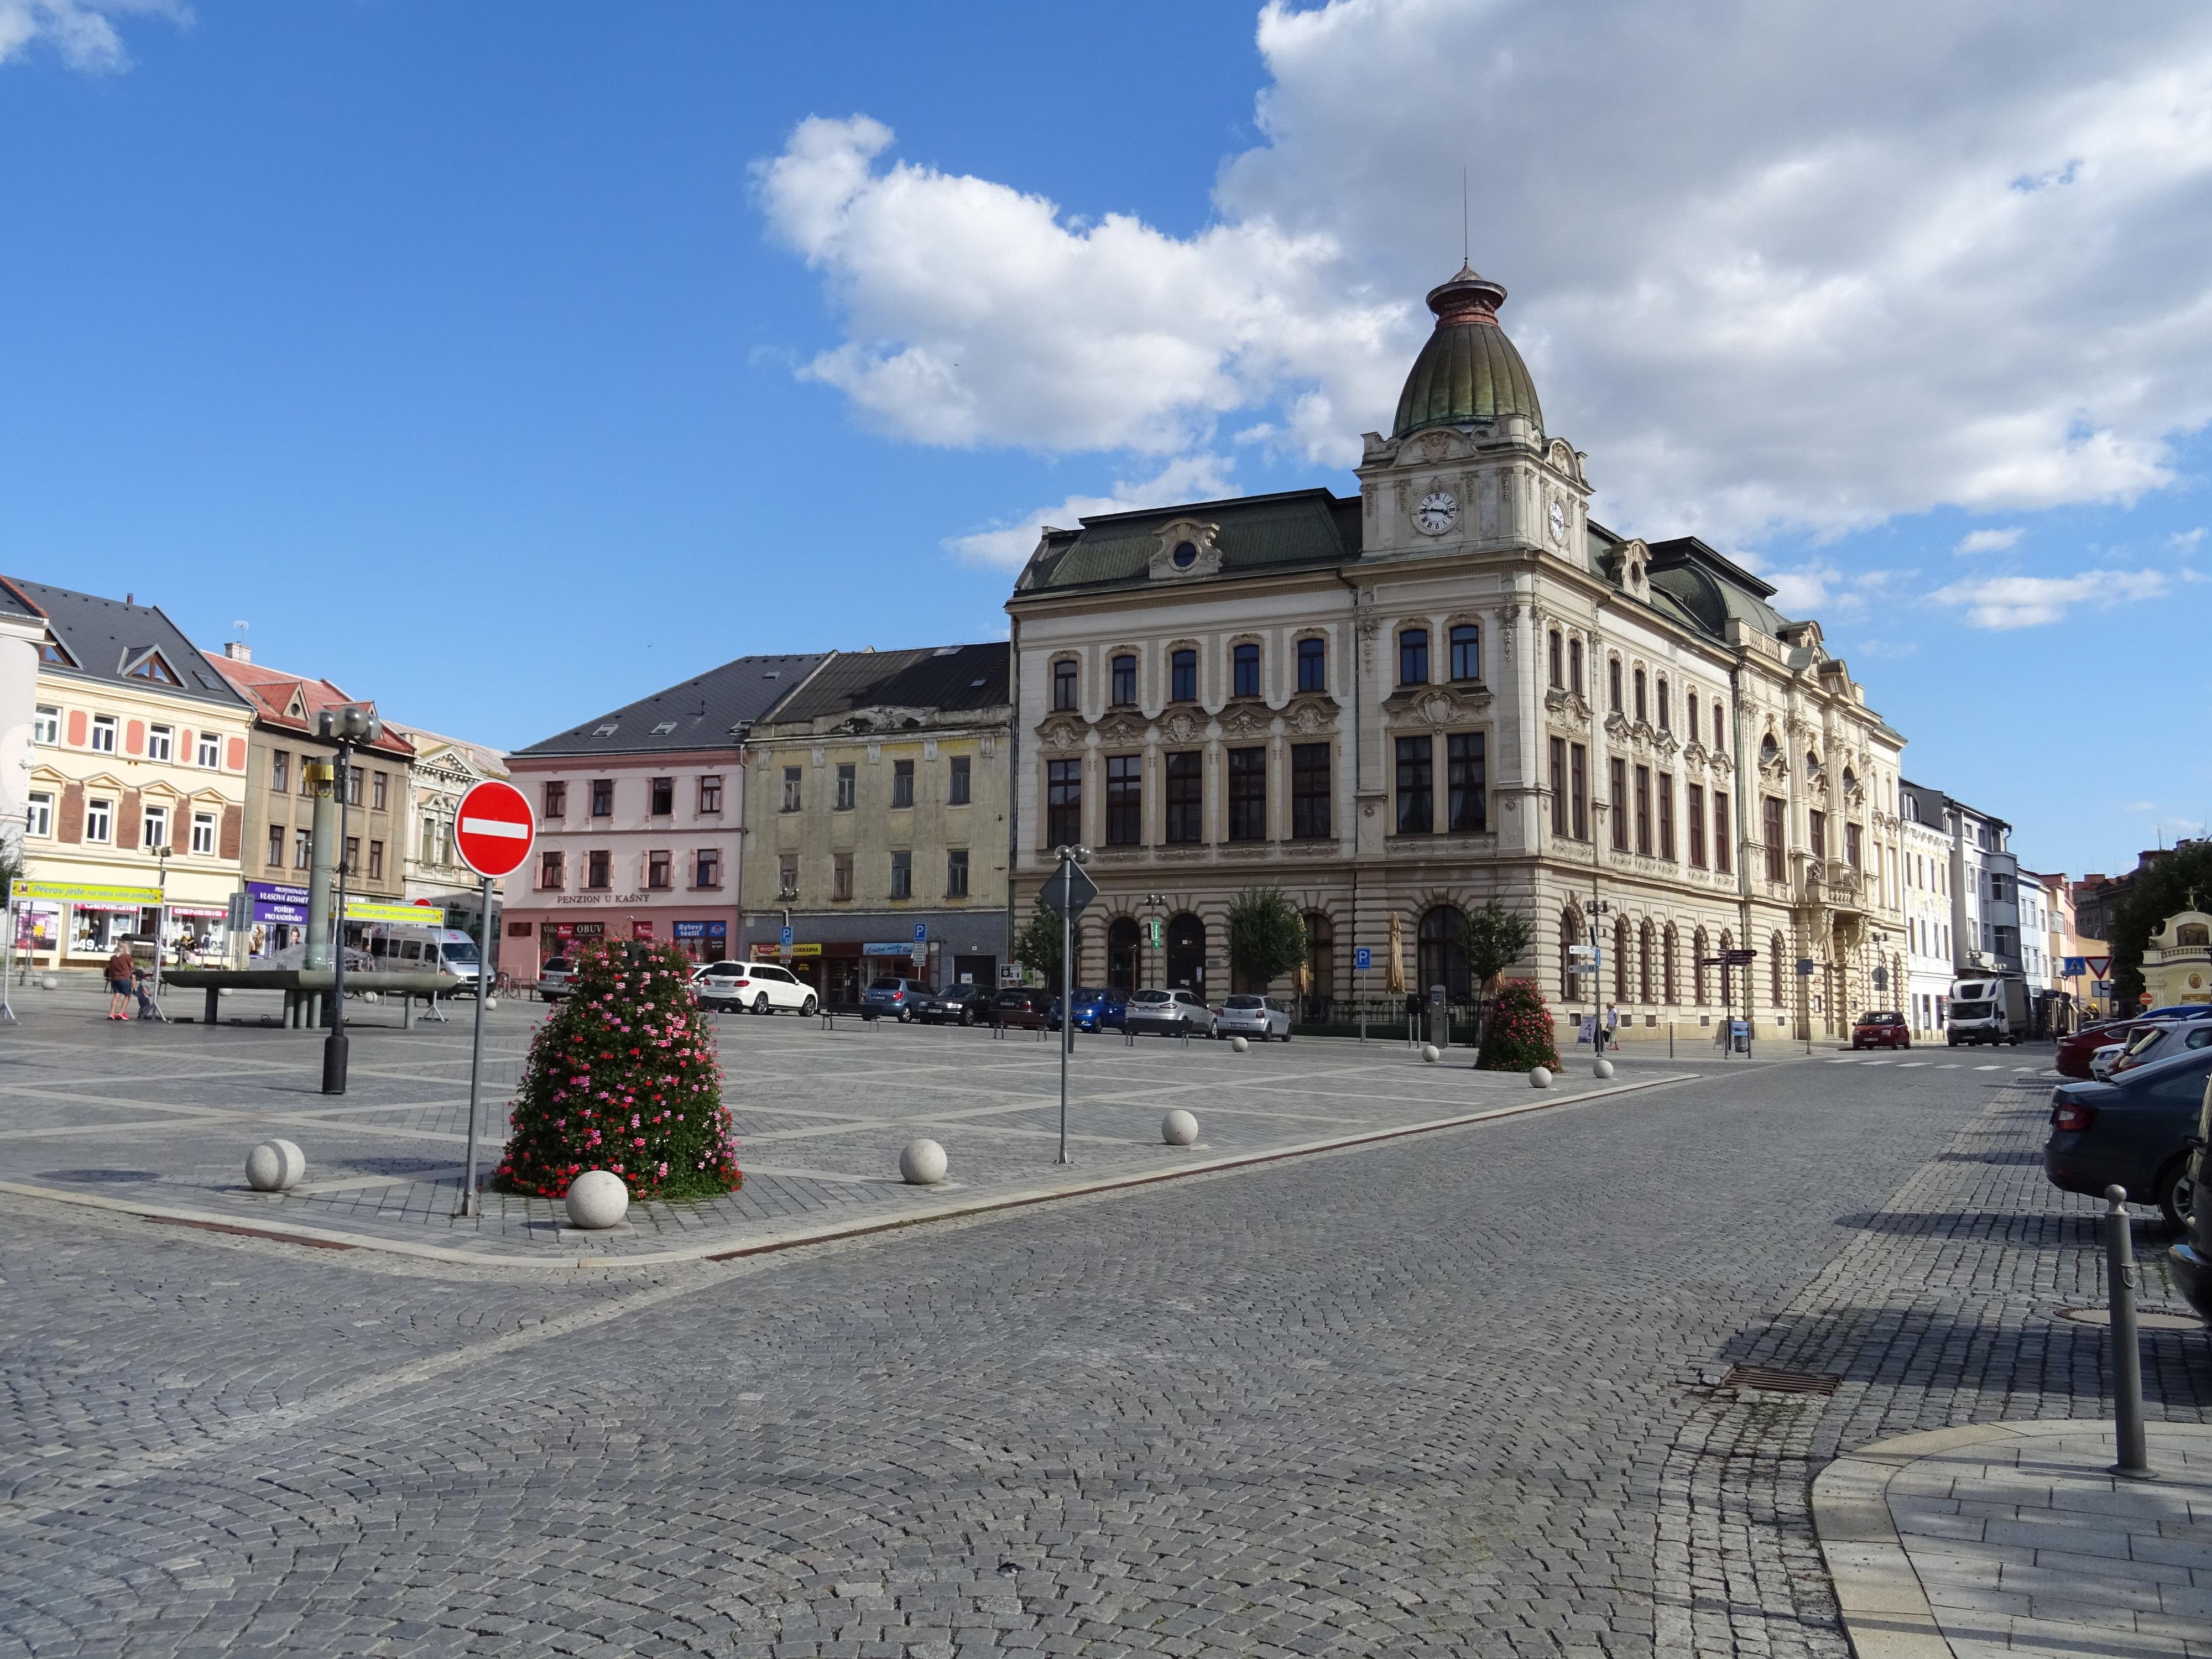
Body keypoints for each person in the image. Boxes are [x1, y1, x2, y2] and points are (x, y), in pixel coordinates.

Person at [105, 946, 135, 1020]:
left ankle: (112, 1013)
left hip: (114, 978)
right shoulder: (126, 957)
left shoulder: (113, 958)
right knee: (128, 995)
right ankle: (121, 1013)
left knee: (117, 995)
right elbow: (132, 966)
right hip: (124, 977)